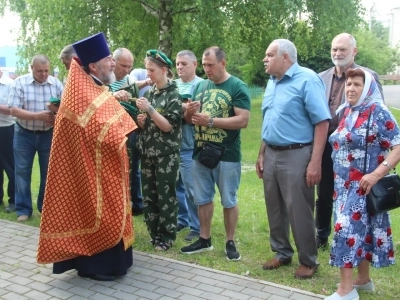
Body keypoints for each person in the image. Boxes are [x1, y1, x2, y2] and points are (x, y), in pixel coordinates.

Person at [37, 32, 136, 281]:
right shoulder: (80, 89)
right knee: (97, 211)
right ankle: (97, 266)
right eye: (107, 59)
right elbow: (98, 126)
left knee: (108, 210)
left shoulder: (93, 84)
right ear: (93, 65)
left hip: (102, 163)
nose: (112, 63)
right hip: (89, 167)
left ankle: (114, 261)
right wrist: (118, 132)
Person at [255, 39, 330, 278]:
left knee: (299, 209)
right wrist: (261, 153)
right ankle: (281, 252)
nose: (264, 59)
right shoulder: (271, 82)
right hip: (272, 153)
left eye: (269, 55)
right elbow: (270, 120)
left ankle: (309, 260)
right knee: (274, 206)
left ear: (285, 57)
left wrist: (315, 161)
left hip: (297, 154)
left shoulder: (307, 79)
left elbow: (321, 122)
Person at [325, 68, 400, 300]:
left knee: (344, 232)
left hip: (363, 185)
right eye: (348, 84)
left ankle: (346, 291)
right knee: (361, 232)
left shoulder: (378, 112)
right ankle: (363, 280)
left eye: (357, 84)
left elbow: (398, 145)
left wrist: (377, 174)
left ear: (367, 88)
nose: (351, 88)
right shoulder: (345, 110)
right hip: (342, 186)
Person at [180, 46, 250, 261]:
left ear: (223, 62)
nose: (207, 69)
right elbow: (187, 119)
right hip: (200, 152)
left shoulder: (237, 86)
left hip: (226, 154)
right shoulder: (200, 86)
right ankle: (204, 238)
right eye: (204, 65)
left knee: (228, 199)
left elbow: (243, 120)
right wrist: (189, 113)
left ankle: (229, 241)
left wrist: (211, 121)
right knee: (202, 198)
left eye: (210, 65)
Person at [316, 33, 384, 249]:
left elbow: (378, 112)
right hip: (326, 144)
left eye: (343, 50)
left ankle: (358, 235)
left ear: (354, 51)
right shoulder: (320, 77)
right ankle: (322, 235)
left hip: (355, 149)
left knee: (352, 193)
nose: (337, 53)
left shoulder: (367, 76)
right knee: (324, 192)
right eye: (334, 49)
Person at [135, 49, 182, 251]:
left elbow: (167, 126)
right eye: (147, 70)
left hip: (165, 156)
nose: (148, 74)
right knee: (149, 196)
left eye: (152, 70)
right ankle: (154, 234)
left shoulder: (174, 95)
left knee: (166, 197)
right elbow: (151, 125)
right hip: (147, 152)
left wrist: (150, 110)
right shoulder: (152, 92)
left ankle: (167, 236)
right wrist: (141, 122)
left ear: (164, 70)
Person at [8, 55, 63, 222]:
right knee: (22, 171)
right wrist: (37, 116)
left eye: (46, 71)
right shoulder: (20, 83)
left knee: (48, 173)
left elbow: (65, 109)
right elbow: (13, 111)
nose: (44, 74)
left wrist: (56, 117)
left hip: (48, 134)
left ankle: (44, 208)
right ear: (31, 68)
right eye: (40, 71)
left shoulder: (56, 84)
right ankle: (23, 209)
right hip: (24, 134)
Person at [109, 48, 151, 216]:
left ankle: (136, 204)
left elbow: (136, 110)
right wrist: (113, 95)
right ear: (113, 61)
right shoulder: (104, 81)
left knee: (133, 169)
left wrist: (140, 121)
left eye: (129, 66)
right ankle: (116, 204)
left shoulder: (131, 83)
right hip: (110, 134)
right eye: (123, 65)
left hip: (130, 133)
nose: (126, 70)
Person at [175, 50, 203, 241]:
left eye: (184, 63)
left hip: (191, 144)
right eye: (177, 64)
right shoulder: (172, 85)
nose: (179, 67)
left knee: (192, 187)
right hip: (172, 143)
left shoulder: (202, 85)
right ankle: (182, 218)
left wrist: (180, 107)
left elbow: (197, 114)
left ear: (195, 64)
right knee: (176, 185)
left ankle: (198, 226)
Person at [0, 69, 15, 213]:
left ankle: (13, 201)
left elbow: (13, 109)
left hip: (7, 129)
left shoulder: (10, 84)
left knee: (10, 166)